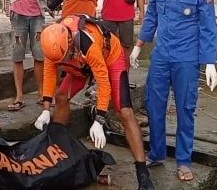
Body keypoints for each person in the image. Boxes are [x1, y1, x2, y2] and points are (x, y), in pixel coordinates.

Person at [130, 0, 217, 181]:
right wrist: (139, 46)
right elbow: (151, 17)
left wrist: (209, 61)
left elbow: (208, 26)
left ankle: (183, 160)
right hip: (161, 55)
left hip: (187, 58)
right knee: (154, 106)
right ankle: (157, 153)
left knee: (185, 109)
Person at [34, 15, 154, 190]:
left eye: (66, 56)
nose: (64, 61)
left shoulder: (86, 43)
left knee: (124, 110)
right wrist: (45, 110)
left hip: (109, 58)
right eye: (61, 60)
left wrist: (100, 119)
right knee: (60, 97)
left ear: (70, 40)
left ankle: (143, 174)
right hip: (81, 66)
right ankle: (57, 153)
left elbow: (103, 82)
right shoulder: (51, 45)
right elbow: (49, 75)